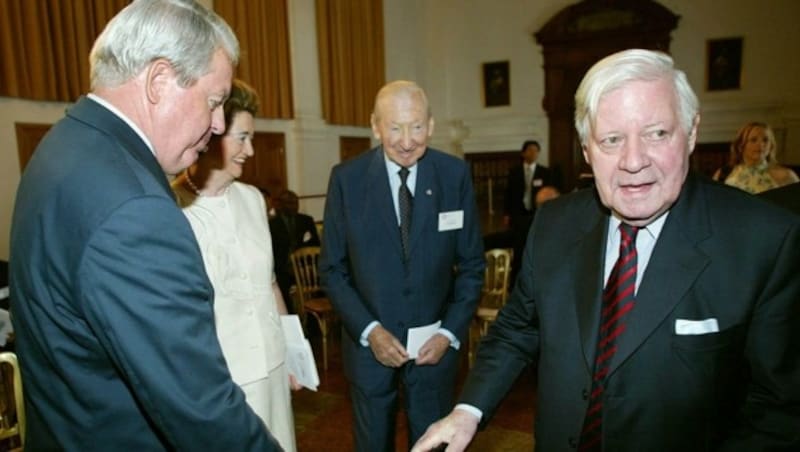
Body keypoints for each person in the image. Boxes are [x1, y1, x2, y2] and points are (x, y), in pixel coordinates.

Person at [413, 49, 800, 452]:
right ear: (586, 150)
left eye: (656, 133)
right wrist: (467, 411)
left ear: (691, 132)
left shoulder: (765, 240)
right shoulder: (553, 225)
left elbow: (779, 411)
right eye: (612, 140)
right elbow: (517, 328)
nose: (633, 161)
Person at [9, 1, 281, 450]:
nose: (217, 125)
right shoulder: (136, 208)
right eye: (214, 102)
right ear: (159, 81)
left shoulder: (64, 144)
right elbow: (202, 413)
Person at [319, 80, 485, 451]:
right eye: (395, 128)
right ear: (376, 126)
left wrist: (449, 334)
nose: (407, 140)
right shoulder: (347, 180)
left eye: (416, 127)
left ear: (430, 125)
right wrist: (370, 331)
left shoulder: (454, 175)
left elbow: (472, 267)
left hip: (434, 355)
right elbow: (331, 269)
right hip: (368, 354)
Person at [173, 79, 299, 452]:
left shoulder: (253, 200)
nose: (251, 150)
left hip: (274, 369)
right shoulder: (171, 207)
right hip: (222, 383)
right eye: (242, 138)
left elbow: (271, 283)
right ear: (210, 134)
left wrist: (293, 352)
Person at [503, 140, 556, 286]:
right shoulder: (514, 172)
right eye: (530, 150)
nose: (533, 153)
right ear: (523, 153)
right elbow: (508, 194)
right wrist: (507, 214)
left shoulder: (544, 172)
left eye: (536, 151)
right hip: (518, 214)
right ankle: (515, 283)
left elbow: (550, 194)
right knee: (518, 247)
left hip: (537, 214)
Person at [712, 121, 799, 193]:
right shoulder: (722, 174)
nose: (761, 145)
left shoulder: (786, 176)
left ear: (771, 146)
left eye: (765, 140)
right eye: (753, 140)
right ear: (741, 146)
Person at [270, 189, 321, 305]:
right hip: (283, 269)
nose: (294, 206)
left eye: (296, 203)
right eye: (290, 203)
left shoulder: (306, 220)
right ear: (281, 205)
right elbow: (273, 252)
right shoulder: (273, 225)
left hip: (305, 267)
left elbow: (316, 245)